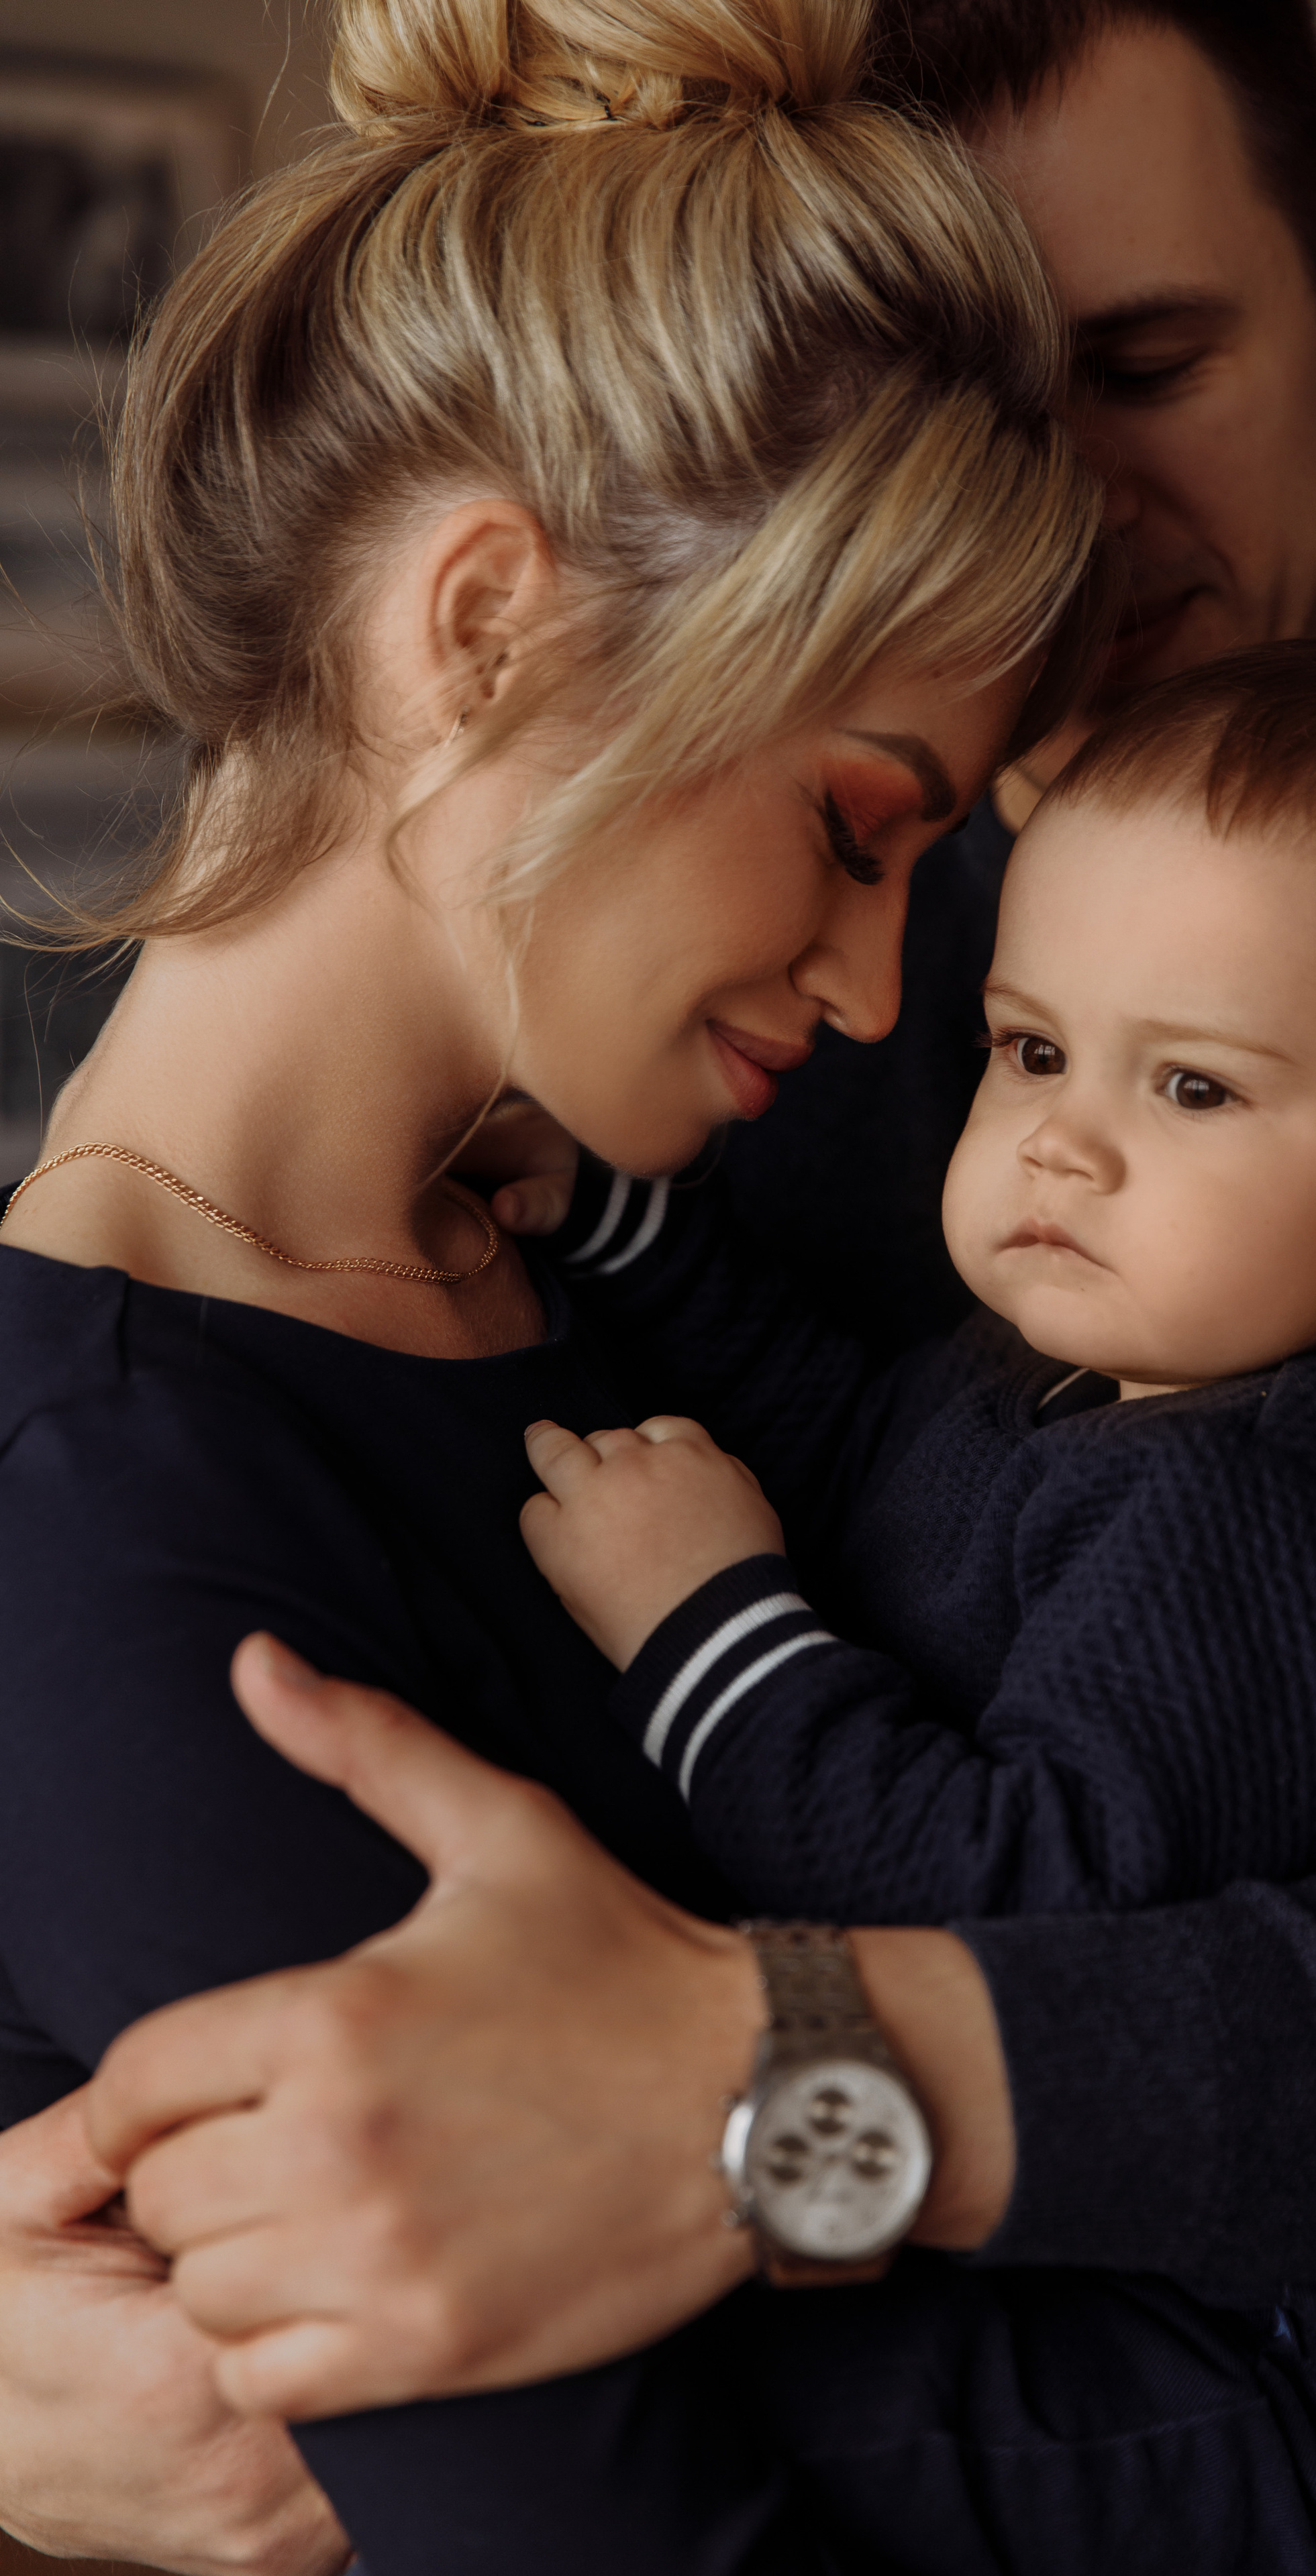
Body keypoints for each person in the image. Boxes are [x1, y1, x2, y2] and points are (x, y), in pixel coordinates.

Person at [0, 0, 1109, 2563]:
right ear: (482, 622)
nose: (867, 988)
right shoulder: (112, 1511)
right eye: (853, 826)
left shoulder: (603, 1269)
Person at [516, 634, 1316, 2569]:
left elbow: (1017, 1916)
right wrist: (611, 1209)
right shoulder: (1120, 1352)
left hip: (1258, 2375)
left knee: (598, 2413)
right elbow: (852, 1441)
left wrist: (708, 1632)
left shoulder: (1290, 1513)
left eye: (1193, 1084)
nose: (1060, 1134)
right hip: (1088, 2276)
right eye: (1033, 1048)